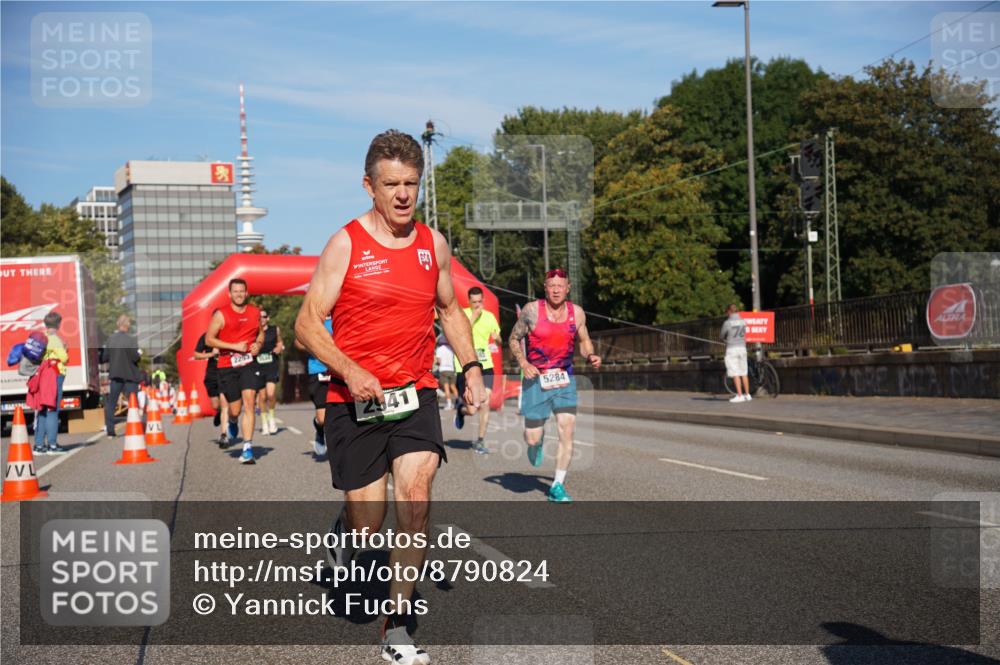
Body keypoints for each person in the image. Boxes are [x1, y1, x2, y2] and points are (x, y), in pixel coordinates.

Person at [295, 129, 485, 665]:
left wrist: (471, 366)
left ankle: (396, 624)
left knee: (416, 499)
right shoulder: (346, 244)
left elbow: (449, 310)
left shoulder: (433, 244)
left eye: (411, 184)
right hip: (354, 400)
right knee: (367, 522)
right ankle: (344, 530)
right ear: (369, 186)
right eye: (391, 184)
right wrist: (350, 369)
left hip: (414, 393)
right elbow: (306, 324)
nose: (403, 195)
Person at [508, 268, 601, 503]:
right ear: (545, 288)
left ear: (568, 288)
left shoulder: (576, 313)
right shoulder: (531, 311)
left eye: (560, 286)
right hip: (535, 379)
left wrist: (590, 355)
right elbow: (513, 338)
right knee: (532, 437)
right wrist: (524, 363)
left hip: (564, 378)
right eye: (552, 286)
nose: (556, 290)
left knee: (567, 429)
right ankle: (536, 443)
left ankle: (557, 485)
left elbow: (584, 341)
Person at [206, 278, 264, 464]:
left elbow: (260, 333)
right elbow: (209, 339)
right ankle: (232, 421)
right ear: (229, 294)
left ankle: (247, 448)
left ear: (246, 293)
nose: (239, 294)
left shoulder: (254, 312)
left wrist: (258, 345)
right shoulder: (221, 314)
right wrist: (234, 346)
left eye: (242, 291)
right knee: (235, 410)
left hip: (248, 363)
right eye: (235, 291)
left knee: (249, 402)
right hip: (227, 365)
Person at [452, 286, 501, 454]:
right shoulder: (463, 314)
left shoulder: (489, 317)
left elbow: (499, 339)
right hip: (465, 366)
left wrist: (497, 339)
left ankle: (480, 441)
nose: (478, 305)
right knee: (472, 410)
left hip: (485, 366)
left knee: (485, 403)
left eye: (480, 301)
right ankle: (461, 410)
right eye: (474, 302)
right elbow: (460, 335)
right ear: (469, 301)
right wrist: (473, 317)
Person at [295, 316, 334, 456]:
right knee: (322, 418)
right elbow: (298, 342)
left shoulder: (340, 314)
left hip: (340, 370)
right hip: (319, 371)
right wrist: (314, 345)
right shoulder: (313, 317)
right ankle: (320, 431)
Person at [33, 311, 70, 454]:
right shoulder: (55, 339)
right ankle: (52, 445)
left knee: (42, 410)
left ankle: (39, 445)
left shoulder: (41, 338)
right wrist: (65, 349)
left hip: (42, 375)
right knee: (52, 409)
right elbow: (64, 358)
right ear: (58, 324)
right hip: (55, 375)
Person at [101, 314, 143, 437]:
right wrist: (139, 354)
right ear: (127, 325)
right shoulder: (131, 340)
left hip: (115, 375)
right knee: (133, 403)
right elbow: (135, 358)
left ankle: (110, 431)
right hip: (130, 376)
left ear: (118, 324)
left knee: (112, 403)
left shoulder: (111, 339)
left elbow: (104, 357)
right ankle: (136, 428)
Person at [194, 325, 230, 445]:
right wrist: (211, 354)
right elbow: (196, 354)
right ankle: (219, 413)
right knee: (215, 405)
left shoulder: (229, 334)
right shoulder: (207, 337)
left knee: (225, 404)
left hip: (226, 372)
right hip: (212, 373)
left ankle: (224, 434)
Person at [254, 309, 285, 436]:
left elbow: (280, 342)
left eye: (264, 316)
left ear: (268, 318)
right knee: (262, 397)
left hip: (271, 364)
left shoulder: (274, 329)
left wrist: (278, 347)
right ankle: (264, 422)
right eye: (259, 317)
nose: (262, 319)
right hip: (258, 366)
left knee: (271, 394)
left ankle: (271, 418)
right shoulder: (254, 331)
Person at [721, 303, 750, 403]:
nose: (726, 314)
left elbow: (722, 336)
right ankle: (747, 394)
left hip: (732, 349)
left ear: (729, 311)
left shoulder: (727, 323)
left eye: (727, 312)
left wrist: (725, 340)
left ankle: (740, 395)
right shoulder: (743, 321)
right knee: (744, 372)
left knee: (735, 372)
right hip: (742, 348)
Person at [434, 338, 457, 410]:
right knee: (453, 387)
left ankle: (449, 404)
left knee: (446, 388)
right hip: (451, 369)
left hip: (443, 369)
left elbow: (439, 361)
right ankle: (458, 403)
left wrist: (436, 364)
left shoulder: (439, 349)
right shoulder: (451, 349)